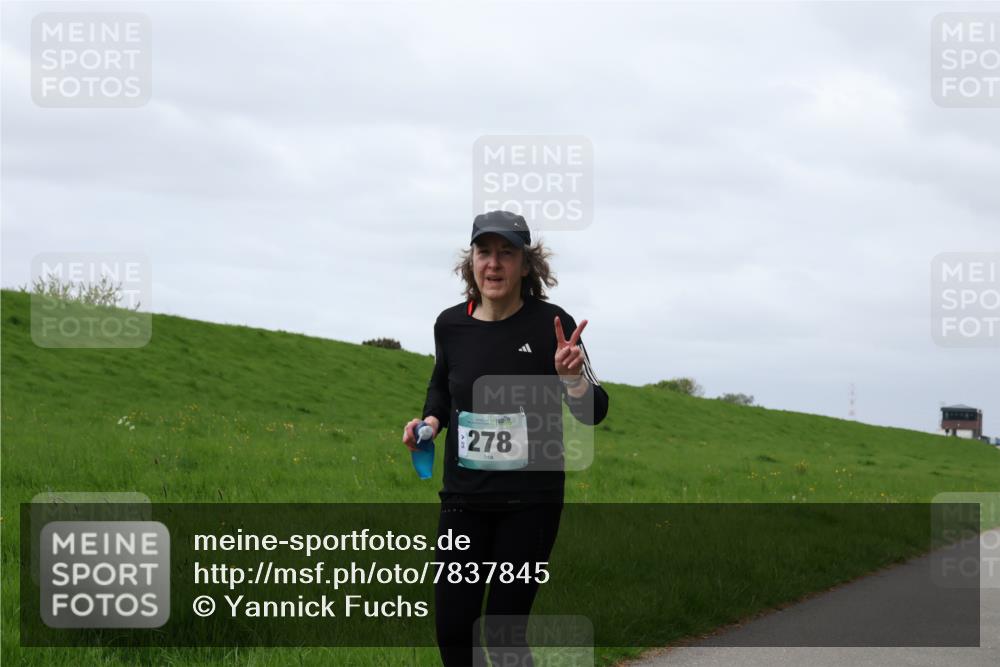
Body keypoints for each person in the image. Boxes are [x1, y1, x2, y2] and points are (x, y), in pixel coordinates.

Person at [401, 210, 610, 666]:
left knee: (502, 633)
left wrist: (571, 379)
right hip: (463, 499)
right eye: (484, 252)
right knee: (454, 630)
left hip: (530, 505)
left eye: (506, 253)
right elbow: (441, 386)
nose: (493, 264)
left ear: (526, 265)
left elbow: (593, 411)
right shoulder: (450, 325)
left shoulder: (554, 325)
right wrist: (431, 423)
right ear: (470, 262)